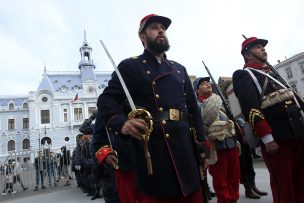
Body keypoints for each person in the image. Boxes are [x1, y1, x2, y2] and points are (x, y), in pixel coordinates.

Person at [98, 14, 208, 202]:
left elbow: (193, 111)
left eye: (163, 28)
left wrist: (203, 148)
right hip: (154, 151)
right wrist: (121, 122)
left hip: (185, 148)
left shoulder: (179, 68)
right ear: (142, 37)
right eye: (154, 28)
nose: (161, 31)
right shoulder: (130, 66)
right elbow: (106, 100)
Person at [233, 37, 304, 203]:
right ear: (247, 55)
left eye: (262, 47)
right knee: (284, 187)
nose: (263, 49)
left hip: (297, 133)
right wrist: (267, 137)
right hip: (277, 138)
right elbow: (251, 109)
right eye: (257, 48)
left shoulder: (272, 74)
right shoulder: (244, 75)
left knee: (301, 182)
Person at [193, 77, 240, 203]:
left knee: (234, 179)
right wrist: (204, 152)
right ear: (197, 90)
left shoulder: (219, 100)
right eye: (203, 84)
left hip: (231, 142)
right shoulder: (196, 106)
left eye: (207, 82)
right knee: (221, 182)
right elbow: (199, 129)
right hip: (214, 146)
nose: (207, 84)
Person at [236, 117, 267, 199]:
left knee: (249, 164)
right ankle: (248, 189)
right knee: (243, 166)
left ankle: (253, 187)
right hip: (236, 138)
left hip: (243, 134)